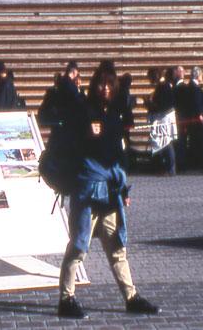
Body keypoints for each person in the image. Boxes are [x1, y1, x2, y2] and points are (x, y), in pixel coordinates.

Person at [56, 63, 159, 319]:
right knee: (78, 247)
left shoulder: (114, 115)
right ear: (94, 85)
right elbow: (73, 143)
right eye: (101, 83)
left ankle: (131, 297)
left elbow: (118, 156)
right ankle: (66, 299)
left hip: (110, 193)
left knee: (116, 248)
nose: (105, 88)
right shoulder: (83, 111)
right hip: (88, 191)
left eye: (109, 84)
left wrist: (123, 190)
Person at [145, 65, 176, 176]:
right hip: (162, 118)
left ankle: (170, 168)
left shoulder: (164, 86)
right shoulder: (163, 85)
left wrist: (150, 104)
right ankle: (167, 168)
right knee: (164, 142)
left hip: (163, 118)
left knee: (166, 143)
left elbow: (164, 104)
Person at [173, 66, 203, 170]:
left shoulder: (188, 86)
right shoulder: (192, 87)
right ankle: (192, 162)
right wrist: (200, 114)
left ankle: (187, 161)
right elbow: (196, 102)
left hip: (186, 119)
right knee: (193, 141)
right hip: (191, 119)